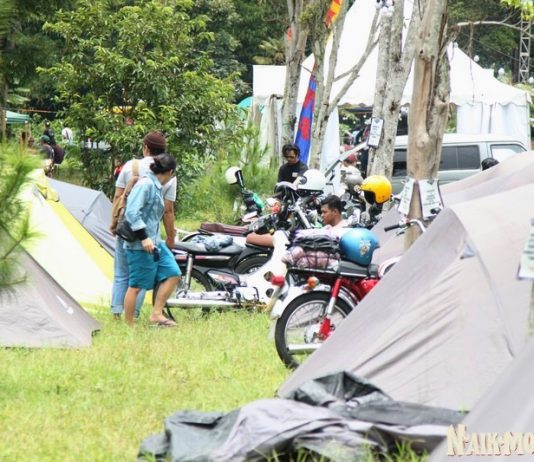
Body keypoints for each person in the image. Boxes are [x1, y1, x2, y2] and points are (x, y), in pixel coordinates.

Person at [110, 131, 177, 320]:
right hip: (142, 234)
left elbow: (118, 196)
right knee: (138, 279)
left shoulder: (131, 166)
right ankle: (133, 316)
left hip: (127, 229)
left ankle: (117, 314)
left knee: (122, 274)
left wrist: (113, 222)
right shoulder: (167, 177)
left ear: (145, 147)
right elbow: (168, 210)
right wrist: (170, 236)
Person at [123, 154, 181, 327]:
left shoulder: (156, 186)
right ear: (170, 172)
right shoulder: (146, 184)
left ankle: (156, 314)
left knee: (173, 272)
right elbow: (132, 212)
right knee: (136, 285)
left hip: (156, 242)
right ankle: (129, 325)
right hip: (139, 244)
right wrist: (144, 238)